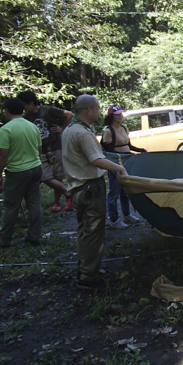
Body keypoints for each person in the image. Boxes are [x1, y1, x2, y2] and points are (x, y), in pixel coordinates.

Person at [62, 95, 128, 290]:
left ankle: (85, 269)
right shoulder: (83, 133)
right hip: (90, 188)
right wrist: (120, 169)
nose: (99, 113)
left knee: (84, 231)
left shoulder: (69, 130)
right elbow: (96, 160)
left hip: (77, 188)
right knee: (93, 233)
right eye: (98, 109)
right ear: (89, 110)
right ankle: (89, 277)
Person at [0, 99, 43, 250]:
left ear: (6, 110)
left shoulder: (6, 129)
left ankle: (2, 240)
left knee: (10, 206)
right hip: (35, 168)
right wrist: (38, 163)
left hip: (17, 171)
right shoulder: (32, 126)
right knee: (34, 203)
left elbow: (3, 155)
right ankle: (34, 236)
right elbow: (39, 148)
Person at [18, 91, 74, 212]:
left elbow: (70, 115)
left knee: (58, 176)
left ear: (31, 103)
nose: (23, 108)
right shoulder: (26, 118)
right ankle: (68, 194)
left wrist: (62, 130)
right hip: (40, 151)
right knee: (44, 176)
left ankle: (57, 202)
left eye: (24, 105)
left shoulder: (47, 110)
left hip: (56, 147)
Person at [101, 105, 145, 229]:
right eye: (117, 114)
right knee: (114, 192)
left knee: (125, 191)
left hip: (126, 162)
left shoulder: (124, 128)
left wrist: (140, 150)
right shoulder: (108, 132)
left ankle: (127, 214)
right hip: (116, 164)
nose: (120, 116)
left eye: (121, 114)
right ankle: (114, 219)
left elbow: (128, 145)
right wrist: (123, 156)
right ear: (112, 116)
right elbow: (109, 152)